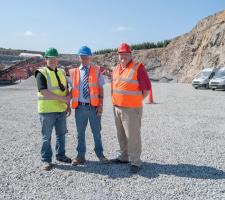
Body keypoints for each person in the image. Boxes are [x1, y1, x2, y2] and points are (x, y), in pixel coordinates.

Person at [111, 43, 151, 173]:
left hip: (131, 109)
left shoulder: (138, 68)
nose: (123, 57)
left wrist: (135, 101)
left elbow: (146, 90)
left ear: (130, 55)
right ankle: (124, 157)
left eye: (126, 54)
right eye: (121, 54)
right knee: (121, 135)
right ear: (118, 55)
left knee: (133, 136)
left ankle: (135, 162)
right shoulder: (116, 69)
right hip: (117, 108)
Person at [69, 46, 108, 165]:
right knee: (80, 133)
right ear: (79, 57)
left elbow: (100, 88)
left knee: (96, 132)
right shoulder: (73, 72)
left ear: (90, 57)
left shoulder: (97, 70)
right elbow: (70, 90)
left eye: (86, 57)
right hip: (80, 108)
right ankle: (80, 156)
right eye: (82, 57)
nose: (84, 59)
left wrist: (100, 104)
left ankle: (100, 154)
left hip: (94, 107)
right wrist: (65, 103)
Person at [35, 48, 71, 171]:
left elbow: (66, 90)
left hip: (60, 110)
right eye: (51, 59)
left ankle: (60, 155)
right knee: (47, 136)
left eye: (55, 58)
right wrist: (63, 99)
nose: (53, 61)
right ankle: (46, 160)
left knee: (61, 134)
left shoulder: (61, 72)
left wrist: (68, 105)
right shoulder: (41, 73)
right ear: (46, 59)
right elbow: (44, 92)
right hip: (47, 111)